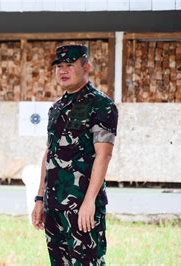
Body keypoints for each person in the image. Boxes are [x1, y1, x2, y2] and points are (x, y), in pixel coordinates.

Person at [31, 44, 118, 265]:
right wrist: (40, 198)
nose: (63, 71)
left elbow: (104, 155)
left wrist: (89, 201)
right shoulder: (57, 107)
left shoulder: (101, 105)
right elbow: (49, 152)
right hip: (54, 205)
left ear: (86, 67)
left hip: (82, 205)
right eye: (59, 66)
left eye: (69, 65)